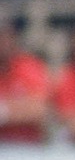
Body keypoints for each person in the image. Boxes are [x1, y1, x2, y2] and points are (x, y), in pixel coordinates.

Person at [0, 15, 51, 143]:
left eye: (7, 37)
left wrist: (4, 111)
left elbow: (39, 109)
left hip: (27, 146)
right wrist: (19, 107)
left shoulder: (29, 66)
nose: (3, 43)